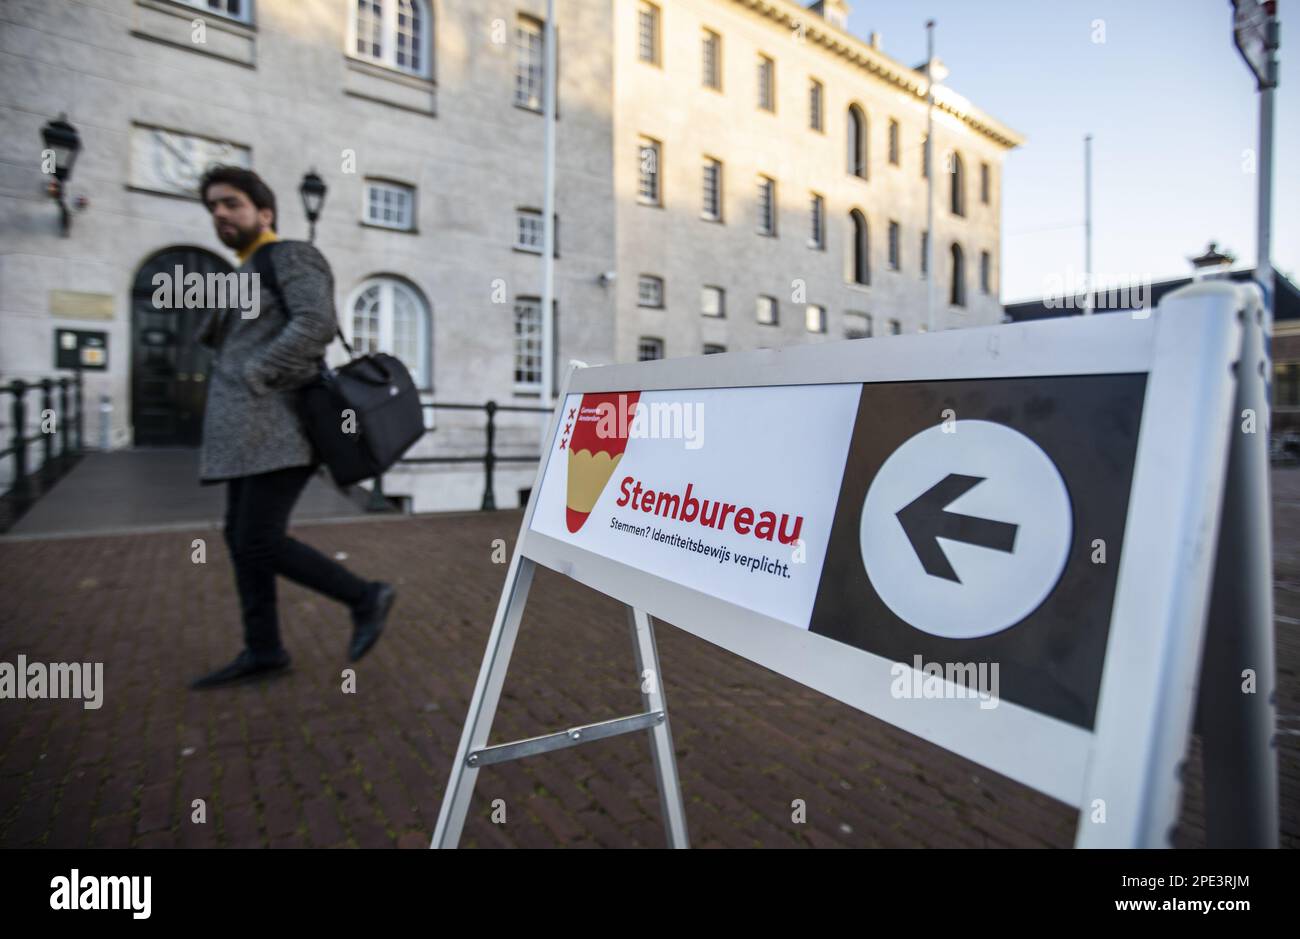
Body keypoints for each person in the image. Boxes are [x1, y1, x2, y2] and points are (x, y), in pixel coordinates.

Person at [189, 165, 395, 689]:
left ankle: (365, 595)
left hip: (282, 431)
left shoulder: (291, 255)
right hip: (246, 438)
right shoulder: (243, 271)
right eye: (212, 205)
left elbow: (316, 323)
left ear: (264, 212)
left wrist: (259, 373)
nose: (219, 213)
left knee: (257, 541)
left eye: (231, 203)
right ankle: (263, 649)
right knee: (241, 539)